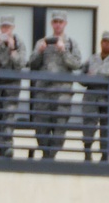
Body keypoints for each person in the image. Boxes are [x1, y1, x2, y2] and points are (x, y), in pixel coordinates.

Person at [28, 11, 82, 159]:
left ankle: (50, 157)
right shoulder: (42, 42)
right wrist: (40, 51)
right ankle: (46, 156)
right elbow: (31, 64)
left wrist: (63, 50)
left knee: (60, 129)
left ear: (65, 24)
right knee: (41, 130)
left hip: (62, 94)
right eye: (55, 22)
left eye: (60, 22)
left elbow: (77, 64)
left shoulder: (70, 43)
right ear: (51, 23)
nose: (58, 24)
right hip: (43, 93)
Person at [0, 12, 27, 158]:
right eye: (3, 27)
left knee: (9, 118)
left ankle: (7, 147)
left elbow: (20, 64)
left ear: (13, 27)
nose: (5, 30)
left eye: (8, 27)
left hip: (11, 87)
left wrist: (12, 48)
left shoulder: (19, 43)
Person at [81, 30, 109, 161]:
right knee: (89, 124)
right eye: (105, 41)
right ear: (101, 42)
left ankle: (105, 156)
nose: (107, 44)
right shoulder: (92, 58)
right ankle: (87, 152)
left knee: (108, 126)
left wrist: (95, 74)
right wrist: (92, 77)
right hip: (92, 95)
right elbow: (81, 77)